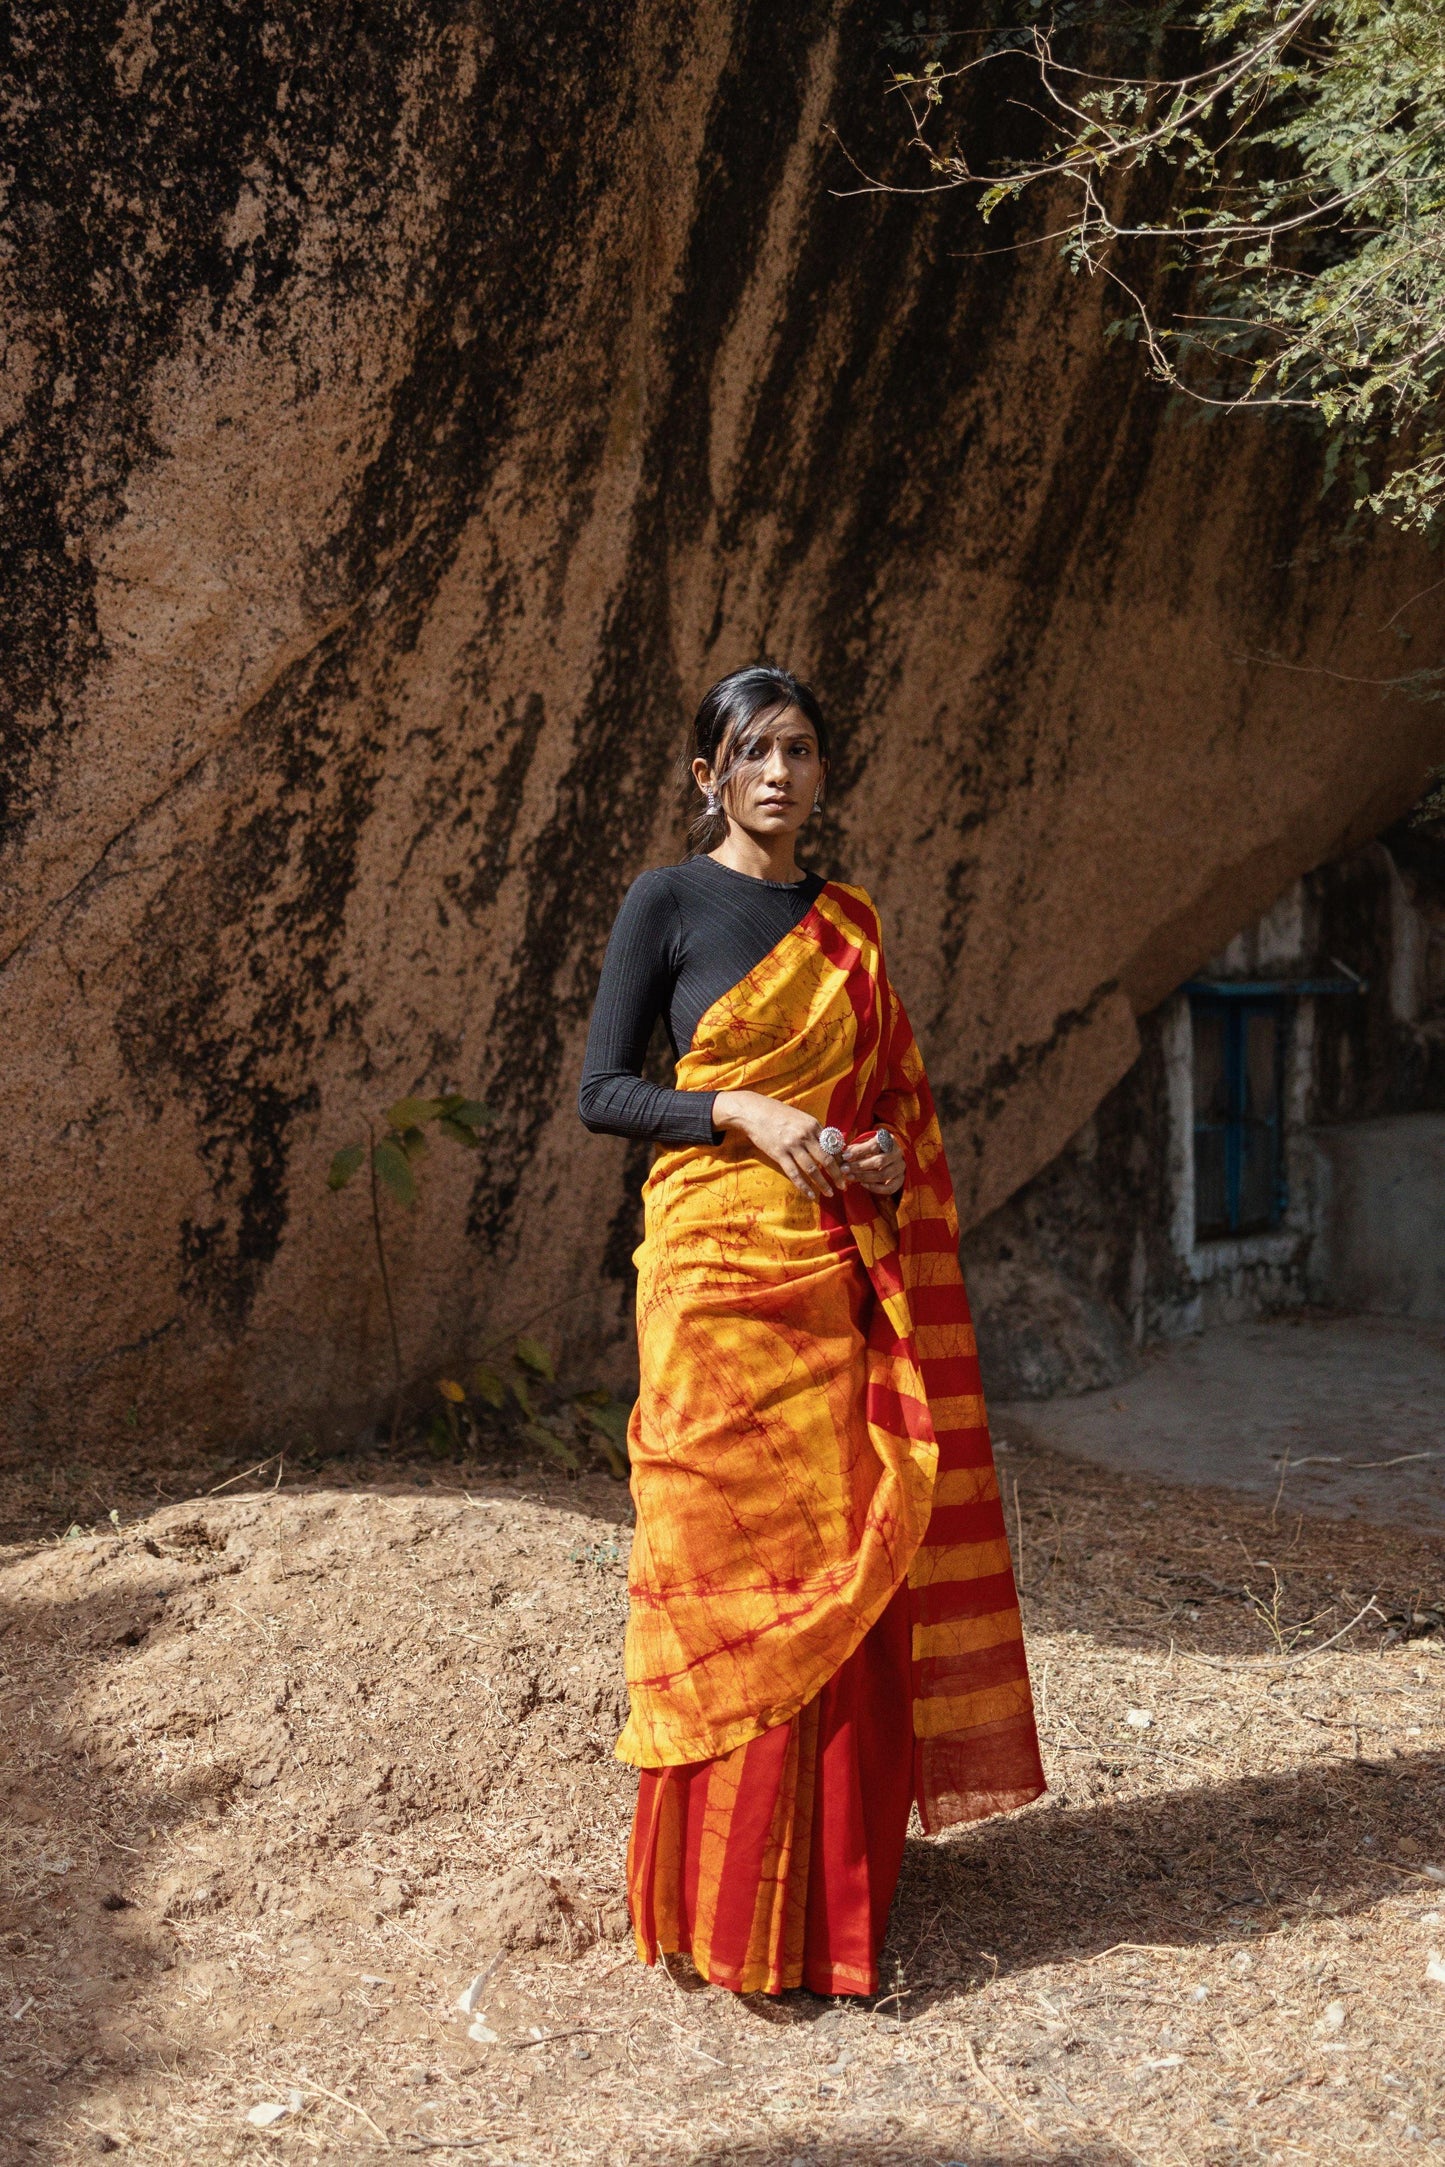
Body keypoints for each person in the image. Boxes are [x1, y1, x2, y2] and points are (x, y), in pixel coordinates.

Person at [578, 663, 1043, 1998]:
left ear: (824, 771)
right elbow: (604, 1091)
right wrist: (737, 1109)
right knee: (721, 1576)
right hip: (714, 1281)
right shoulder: (664, 901)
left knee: (827, 1573)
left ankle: (816, 1901)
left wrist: (887, 1161)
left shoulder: (851, 922)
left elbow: (895, 1102)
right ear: (705, 774)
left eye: (799, 751)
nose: (778, 773)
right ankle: (714, 1906)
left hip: (829, 1274)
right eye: (752, 751)